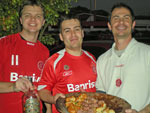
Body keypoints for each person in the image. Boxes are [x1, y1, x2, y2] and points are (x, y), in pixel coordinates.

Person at [95, 3, 150, 113]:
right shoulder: (102, 60)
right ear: (109, 26)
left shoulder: (147, 53)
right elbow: (101, 94)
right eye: (116, 18)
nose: (121, 22)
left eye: (126, 18)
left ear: (133, 24)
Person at [38, 15, 97, 113]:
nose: (73, 34)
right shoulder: (54, 61)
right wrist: (53, 99)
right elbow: (42, 90)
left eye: (76, 29)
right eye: (67, 31)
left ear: (82, 33)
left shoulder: (91, 58)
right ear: (61, 36)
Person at [0, 0, 50, 113]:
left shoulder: (45, 52)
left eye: (38, 16)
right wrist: (13, 86)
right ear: (21, 20)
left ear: (43, 22)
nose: (33, 19)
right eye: (28, 15)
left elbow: (44, 87)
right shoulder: (3, 44)